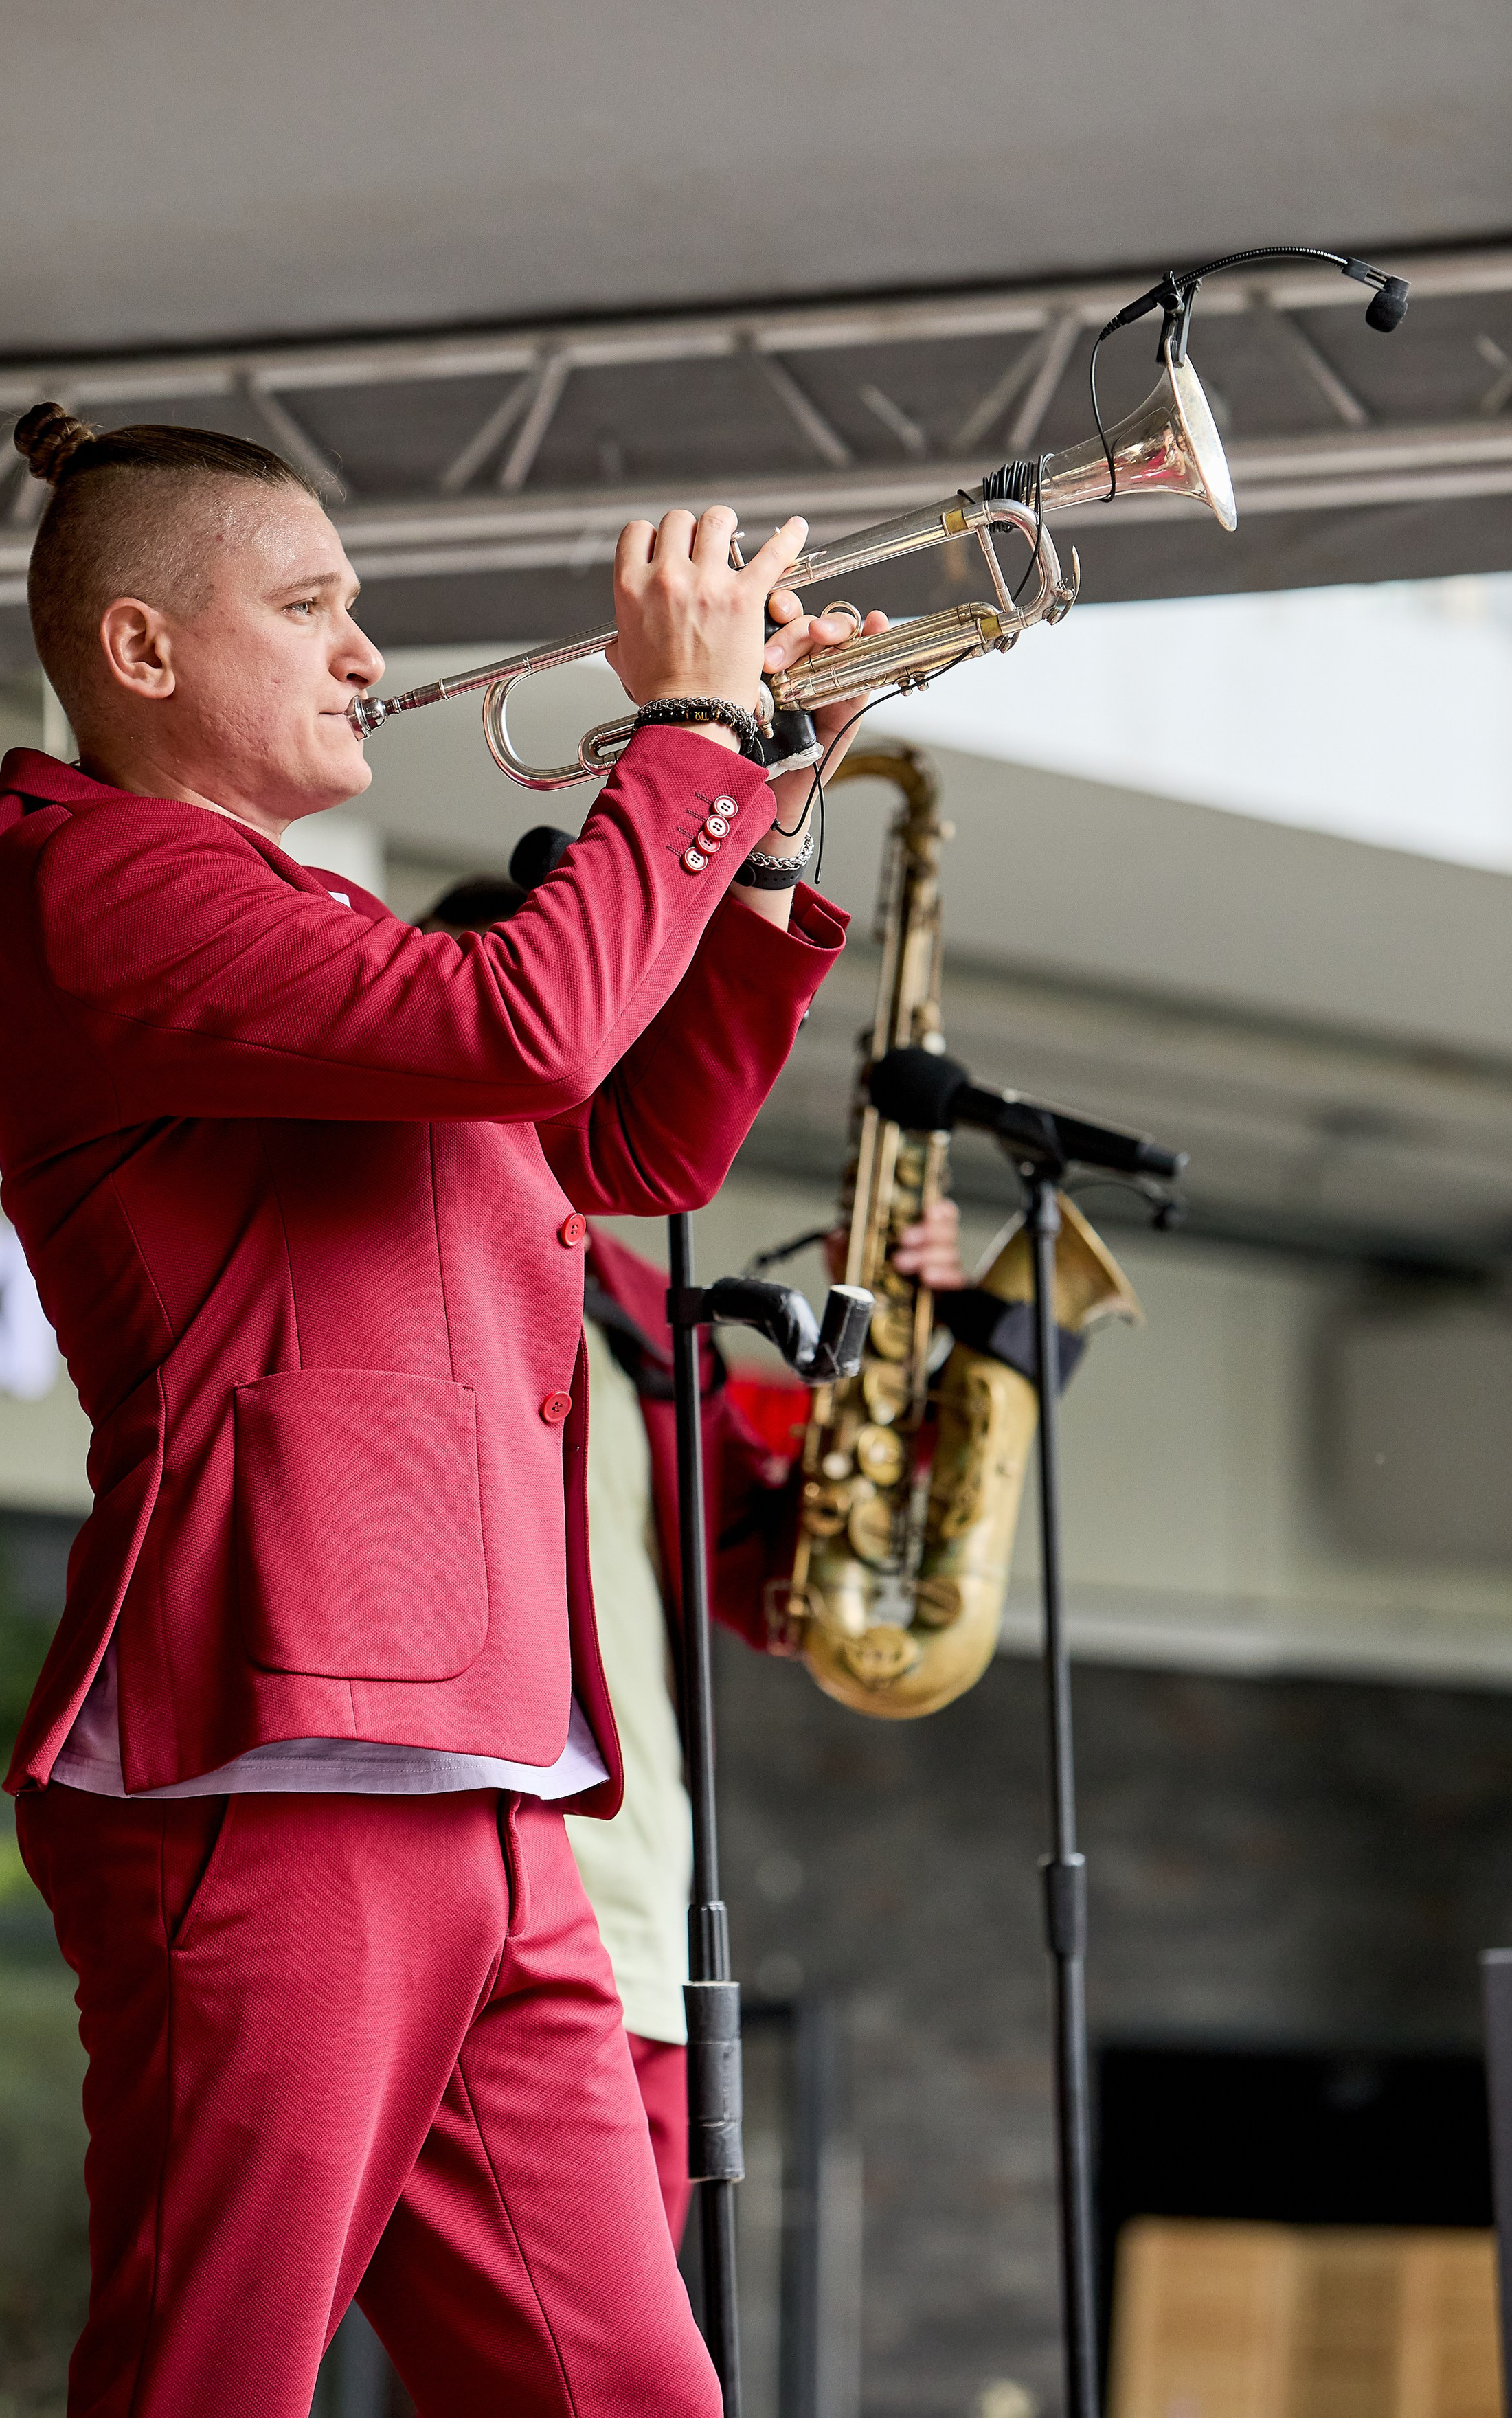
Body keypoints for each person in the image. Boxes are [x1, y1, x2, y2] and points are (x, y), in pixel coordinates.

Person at [0, 398, 888, 2418]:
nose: (369, 653)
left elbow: (626, 1137)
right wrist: (687, 743)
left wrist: (769, 811)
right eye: (310, 608)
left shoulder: (316, 928)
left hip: (483, 1768)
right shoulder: (101, 884)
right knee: (207, 2380)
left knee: (628, 2393)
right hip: (279, 1753)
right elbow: (537, 1021)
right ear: (143, 655)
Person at [418, 871, 965, 2248]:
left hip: (639, 1923)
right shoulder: (386, 1229)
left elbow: (762, 1581)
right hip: (459, 1902)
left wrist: (888, 1355)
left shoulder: (642, 1303)